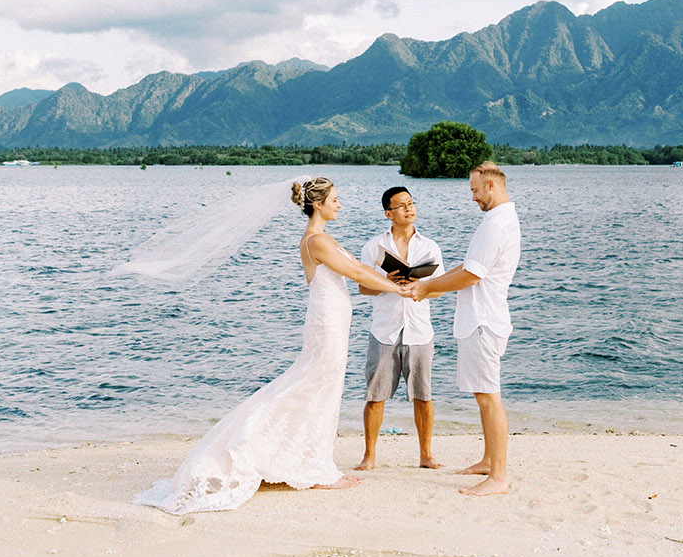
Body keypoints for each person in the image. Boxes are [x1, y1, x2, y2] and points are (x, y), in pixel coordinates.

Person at [134, 177, 411, 514]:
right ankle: (304, 463)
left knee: (321, 386)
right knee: (313, 384)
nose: (340, 204)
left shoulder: (326, 238)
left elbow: (361, 268)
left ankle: (312, 460)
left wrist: (390, 279)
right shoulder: (316, 240)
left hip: (335, 318)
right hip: (326, 320)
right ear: (319, 204)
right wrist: (397, 290)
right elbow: (355, 272)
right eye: (335, 199)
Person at [409, 162, 520, 496]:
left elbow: (472, 275)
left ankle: (498, 477)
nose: (472, 197)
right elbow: (469, 265)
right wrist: (428, 281)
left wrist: (426, 290)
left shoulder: (496, 224)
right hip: (483, 318)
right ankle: (489, 460)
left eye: (474, 190)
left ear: (490, 185)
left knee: (489, 398)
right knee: (483, 395)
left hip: (484, 320)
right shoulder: (497, 220)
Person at [354, 186, 445, 471]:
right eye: (401, 205)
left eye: (411, 203)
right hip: (384, 329)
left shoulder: (429, 246)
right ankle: (369, 456)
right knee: (375, 395)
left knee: (423, 395)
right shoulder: (374, 247)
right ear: (388, 213)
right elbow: (363, 288)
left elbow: (438, 290)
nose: (409, 208)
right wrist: (388, 281)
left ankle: (426, 455)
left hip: (419, 330)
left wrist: (419, 286)